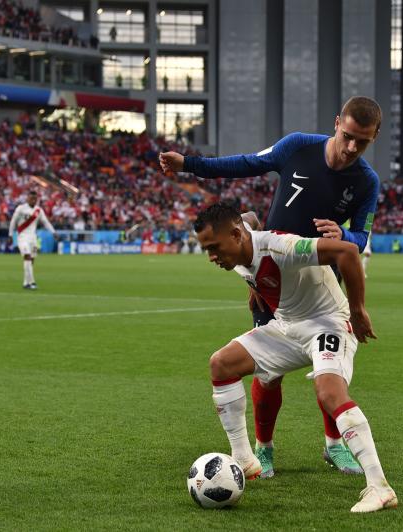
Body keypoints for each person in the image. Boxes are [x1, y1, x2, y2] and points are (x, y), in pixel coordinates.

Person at [160, 96, 382, 478]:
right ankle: (263, 449)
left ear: (373, 138)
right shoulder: (297, 146)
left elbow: (361, 238)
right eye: (347, 136)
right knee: (267, 371)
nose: (351, 148)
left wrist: (345, 233)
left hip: (319, 274)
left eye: (362, 142)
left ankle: (334, 446)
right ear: (336, 123)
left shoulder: (366, 182)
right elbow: (248, 163)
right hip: (268, 272)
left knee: (329, 369)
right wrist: (190, 165)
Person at [194, 203, 397, 513]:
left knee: (329, 393)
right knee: (221, 363)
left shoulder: (282, 247)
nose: (210, 257)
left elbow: (347, 252)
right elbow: (248, 217)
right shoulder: (240, 240)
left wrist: (358, 312)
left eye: (213, 247)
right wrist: (257, 288)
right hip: (287, 328)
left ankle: (379, 488)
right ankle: (246, 460)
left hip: (328, 322)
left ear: (236, 235)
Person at [8, 190, 56, 290]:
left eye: (35, 198)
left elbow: (46, 222)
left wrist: (53, 232)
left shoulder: (39, 210)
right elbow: (13, 221)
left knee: (32, 260)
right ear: (27, 198)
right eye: (31, 198)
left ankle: (26, 282)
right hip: (22, 237)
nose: (33, 200)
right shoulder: (21, 209)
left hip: (33, 238)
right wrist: (10, 235)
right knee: (27, 257)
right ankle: (32, 282)